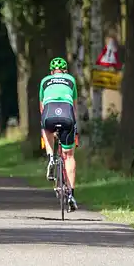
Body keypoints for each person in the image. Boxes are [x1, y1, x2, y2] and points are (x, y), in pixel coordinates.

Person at [39, 57, 79, 212]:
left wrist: (49, 127)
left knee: (45, 126)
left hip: (49, 113)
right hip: (67, 115)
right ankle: (71, 195)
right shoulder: (71, 80)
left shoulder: (44, 81)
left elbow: (42, 108)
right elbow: (74, 107)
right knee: (69, 156)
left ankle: (50, 156)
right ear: (65, 71)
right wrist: (74, 127)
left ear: (51, 72)